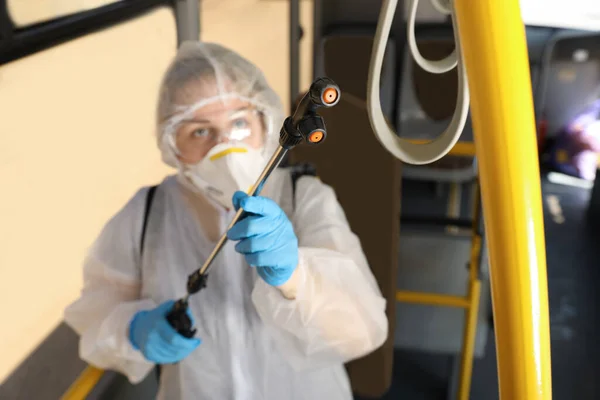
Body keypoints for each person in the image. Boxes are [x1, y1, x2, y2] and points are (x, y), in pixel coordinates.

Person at [64, 41, 388, 400]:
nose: (224, 146)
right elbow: (96, 318)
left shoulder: (305, 196)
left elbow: (361, 332)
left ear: (265, 124)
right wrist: (134, 330)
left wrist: (296, 276)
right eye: (199, 131)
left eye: (238, 122)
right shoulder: (145, 214)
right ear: (172, 145)